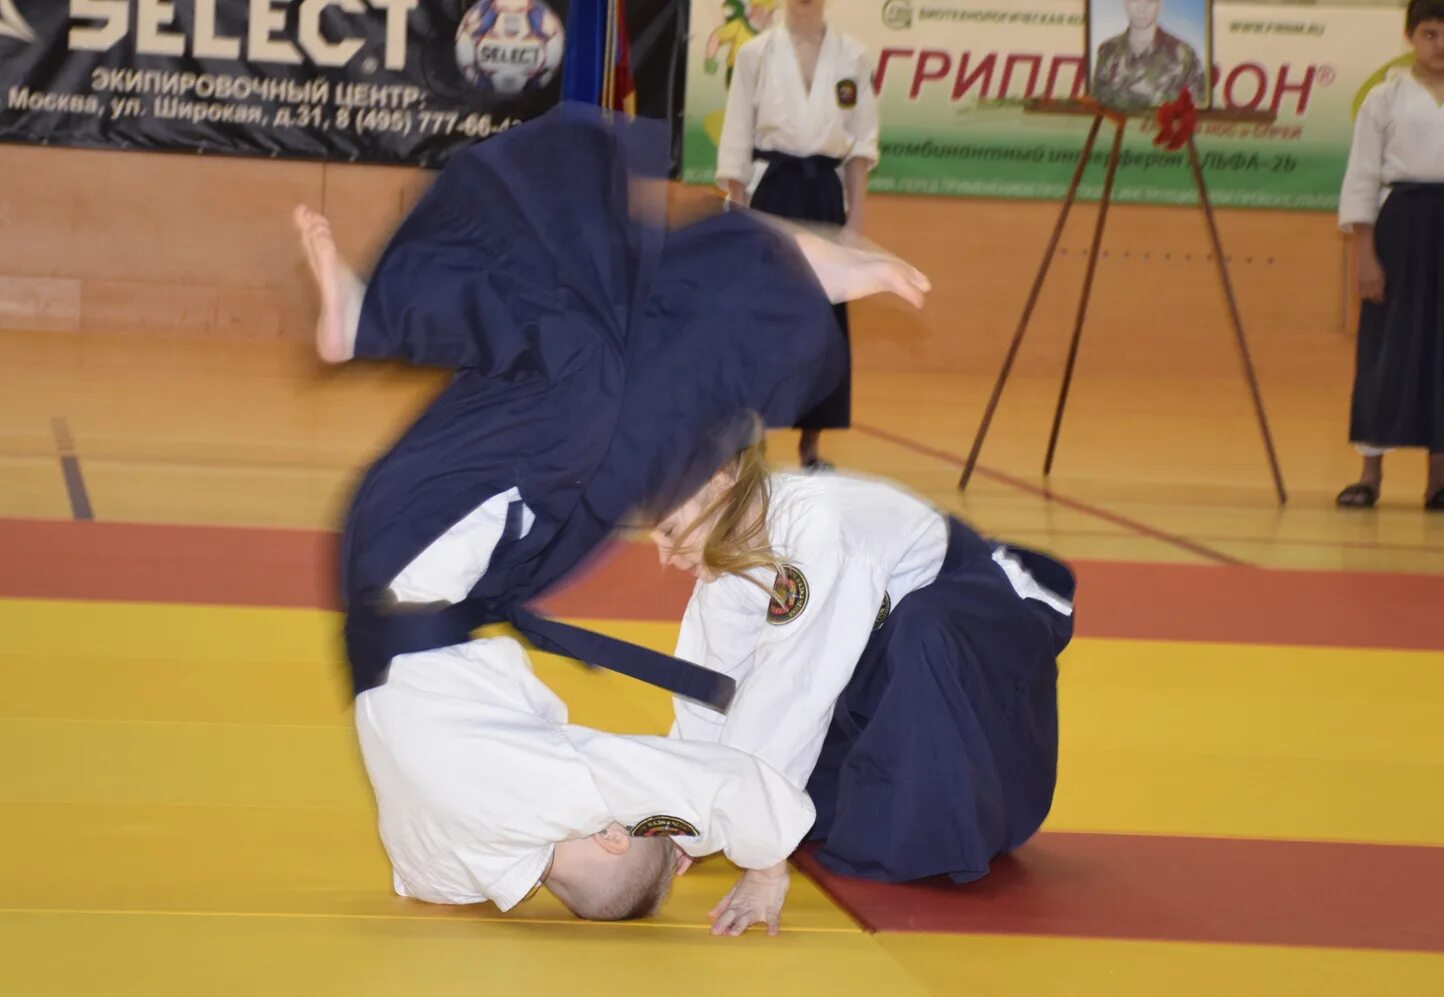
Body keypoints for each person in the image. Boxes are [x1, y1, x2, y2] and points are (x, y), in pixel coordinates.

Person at [295, 103, 928, 933]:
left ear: (609, 832)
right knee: (610, 424)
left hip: (428, 549)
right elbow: (428, 880)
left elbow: (713, 783)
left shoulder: (555, 792)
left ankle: (380, 313)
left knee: (581, 365)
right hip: (414, 558)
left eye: (629, 821)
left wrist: (764, 859)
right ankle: (772, 278)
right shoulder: (455, 858)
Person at [652, 449, 1075, 891]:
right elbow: (710, 698)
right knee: (800, 802)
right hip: (888, 668)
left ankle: (960, 813)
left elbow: (796, 689)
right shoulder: (728, 572)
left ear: (720, 480)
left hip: (989, 622)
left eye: (669, 530)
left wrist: (762, 855)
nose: (664, 556)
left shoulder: (819, 527)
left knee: (923, 629)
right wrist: (685, 818)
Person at [1336, 0, 1444, 513]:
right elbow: (1363, 175)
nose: (1441, 45)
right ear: (1410, 36)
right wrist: (1365, 253)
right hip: (1399, 223)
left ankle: (1438, 482)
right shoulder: (1384, 98)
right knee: (1384, 348)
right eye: (1430, 34)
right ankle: (1370, 475)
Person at [716, 0, 880, 471]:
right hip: (771, 192)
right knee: (761, 319)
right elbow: (736, 139)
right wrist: (737, 214)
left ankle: (811, 447)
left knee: (824, 322)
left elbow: (860, 145)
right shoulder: (756, 54)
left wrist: (855, 220)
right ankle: (750, 440)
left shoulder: (852, 56)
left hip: (826, 195)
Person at [1092, 0, 1207, 111]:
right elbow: (1095, 106)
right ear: (1125, 2)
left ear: (1160, 4)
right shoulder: (1108, 51)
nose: (1142, 8)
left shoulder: (1184, 55)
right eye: (1135, 0)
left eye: (1150, 0)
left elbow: (1198, 111)